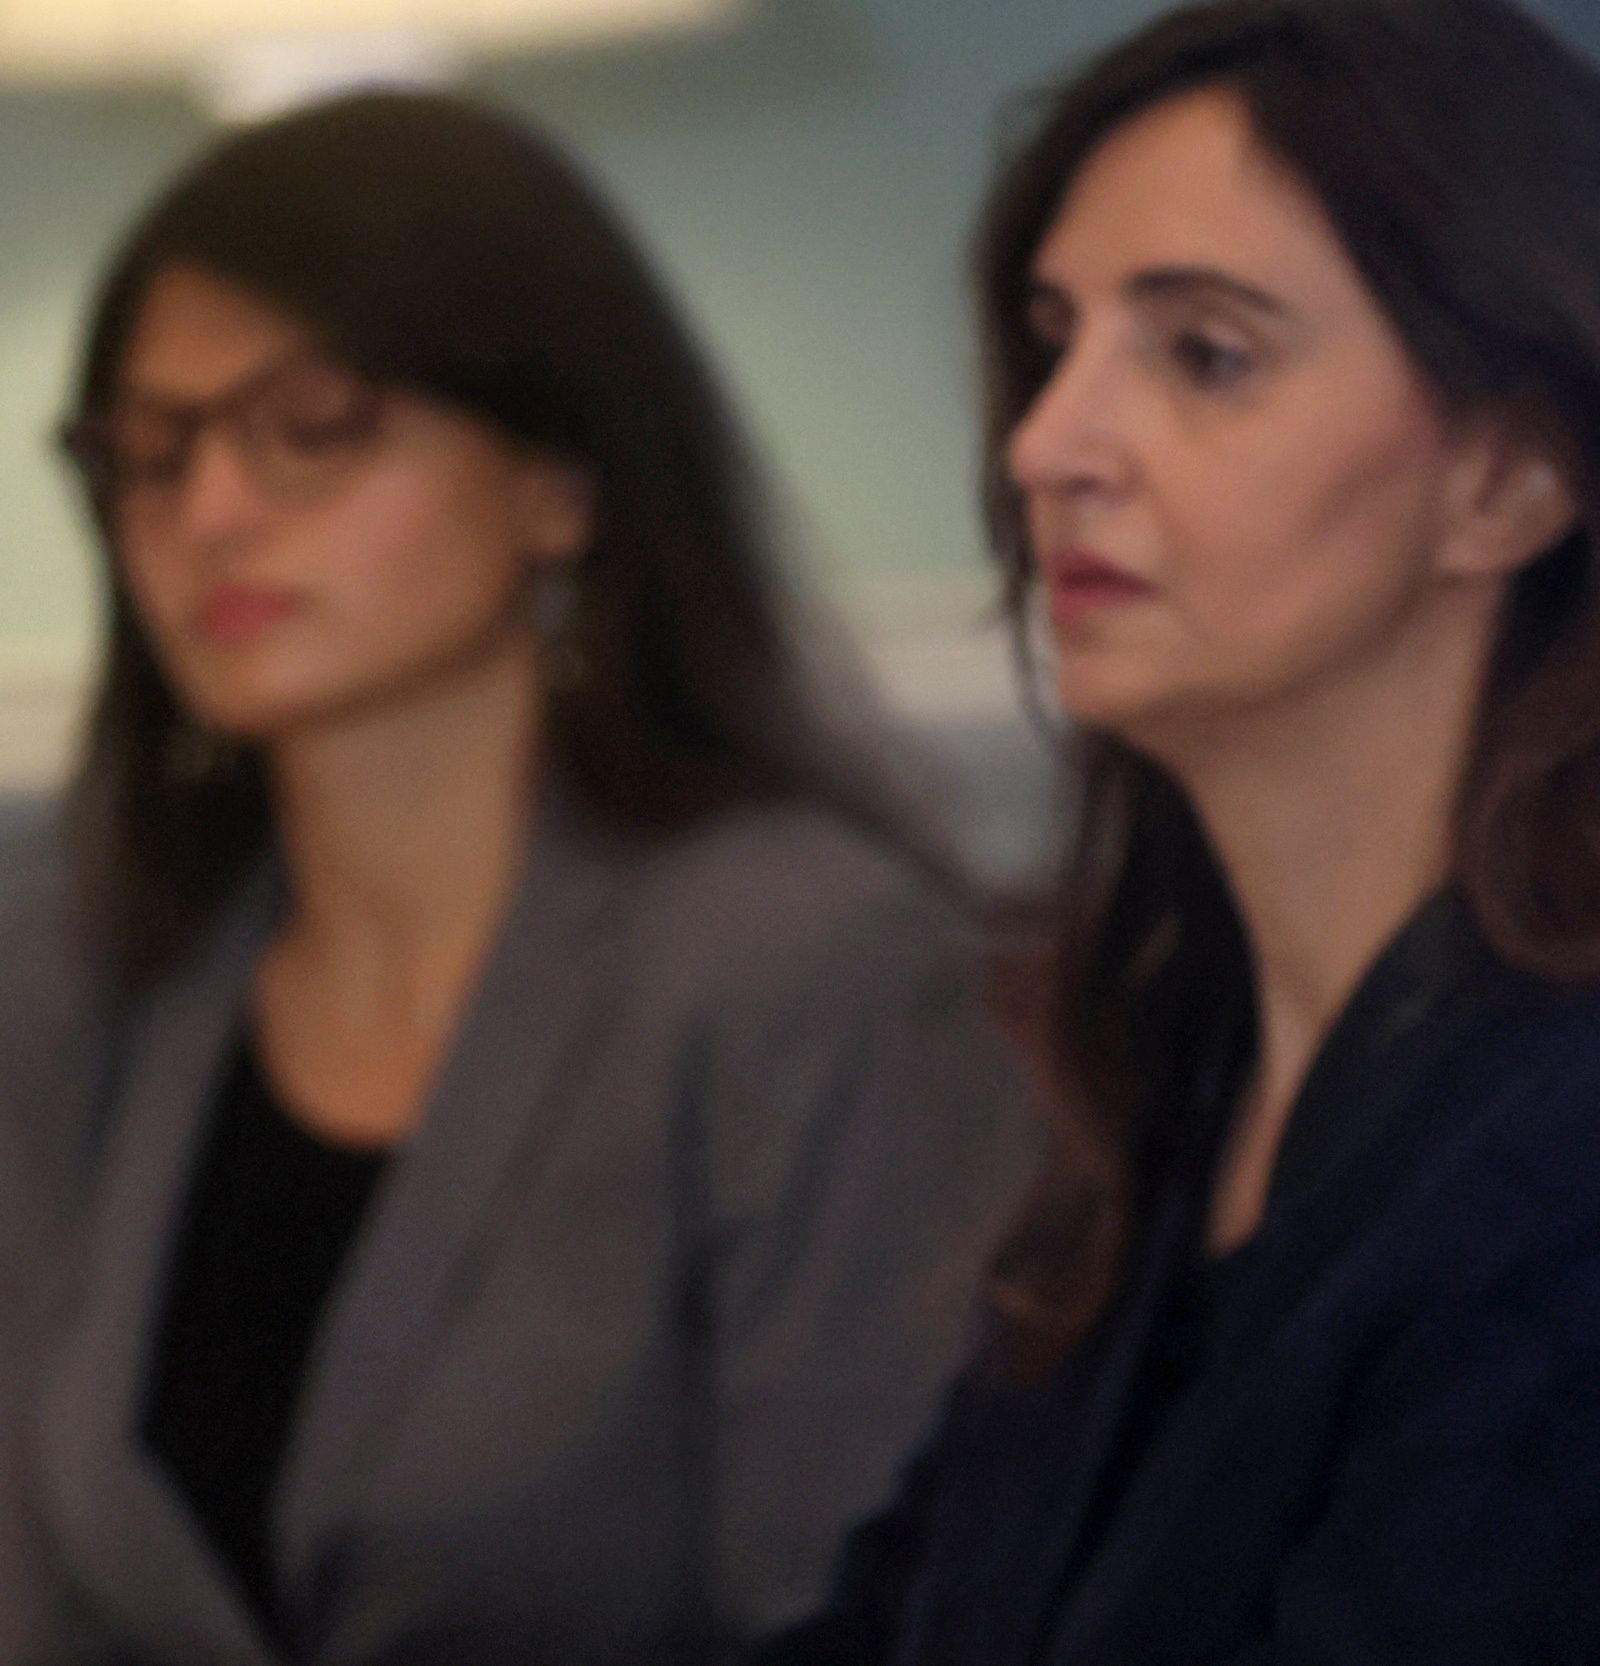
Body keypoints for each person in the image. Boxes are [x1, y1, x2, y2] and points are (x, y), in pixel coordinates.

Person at [757, 1, 1600, 1661]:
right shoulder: (1187, 1083)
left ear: (1513, 472)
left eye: (1205, 353)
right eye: (1055, 340)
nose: (1049, 443)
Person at [0, 92, 1034, 1666]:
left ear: (560, 480)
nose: (205, 513)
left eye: (314, 423)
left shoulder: (811, 964)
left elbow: (870, 1622)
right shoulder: (71, 951)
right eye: (147, 451)